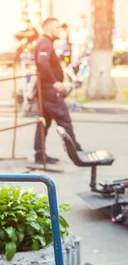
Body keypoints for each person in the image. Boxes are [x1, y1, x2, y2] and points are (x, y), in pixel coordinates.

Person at [33, 17, 83, 164]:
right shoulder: (45, 43)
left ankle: (39, 154)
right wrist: (55, 82)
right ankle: (76, 152)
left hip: (45, 89)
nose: (59, 31)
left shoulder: (46, 43)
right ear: (49, 28)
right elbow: (42, 62)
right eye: (56, 28)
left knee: (44, 123)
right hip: (49, 90)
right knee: (64, 119)